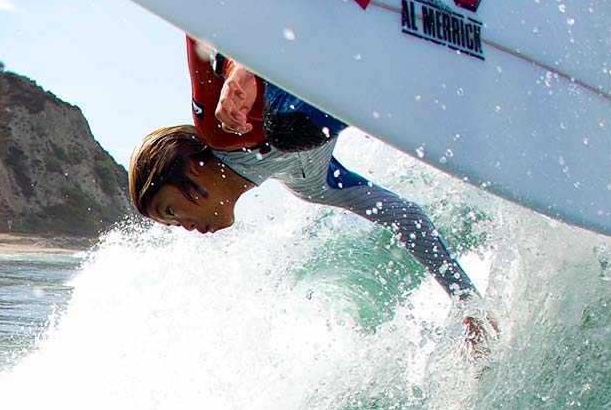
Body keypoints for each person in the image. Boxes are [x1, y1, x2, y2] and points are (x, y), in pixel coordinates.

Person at [129, 37, 495, 349]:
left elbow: (201, 32)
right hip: (385, 67)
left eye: (171, 212)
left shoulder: (221, 128)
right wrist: (467, 303)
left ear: (188, 166)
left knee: (288, 129)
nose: (185, 228)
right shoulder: (311, 184)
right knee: (292, 131)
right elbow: (404, 217)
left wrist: (239, 66)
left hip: (317, 40)